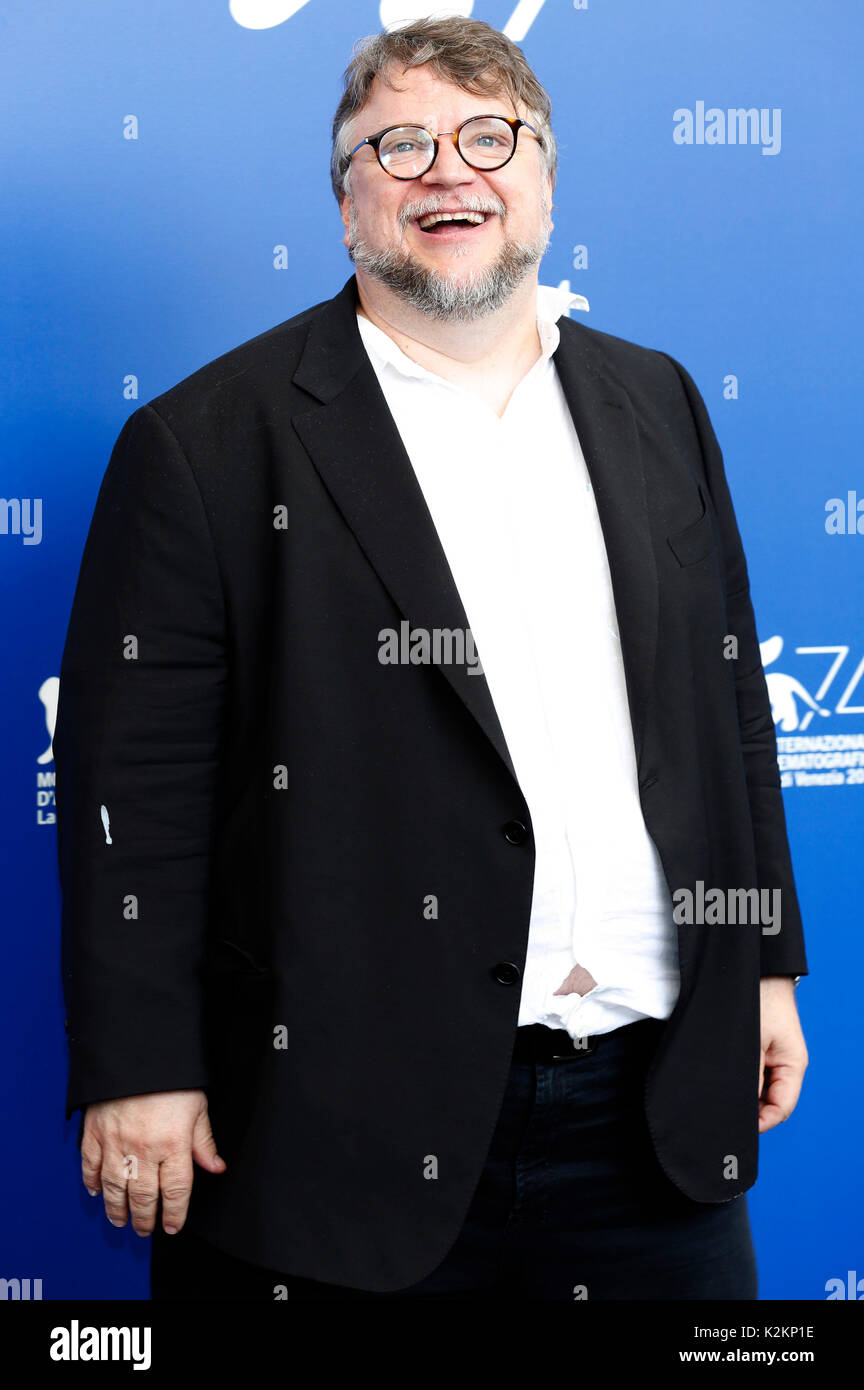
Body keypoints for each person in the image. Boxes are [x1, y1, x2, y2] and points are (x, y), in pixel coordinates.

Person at [54, 15, 808, 1301]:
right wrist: (139, 1063)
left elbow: (730, 701)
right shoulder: (204, 444)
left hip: (654, 1120)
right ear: (347, 206)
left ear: (546, 183)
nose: (446, 170)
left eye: (486, 138)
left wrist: (766, 960)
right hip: (330, 1132)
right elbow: (136, 791)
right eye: (397, 146)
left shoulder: (662, 402)